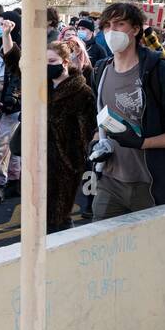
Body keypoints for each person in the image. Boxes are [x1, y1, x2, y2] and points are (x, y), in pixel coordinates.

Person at [89, 2, 165, 217]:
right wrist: (95, 143)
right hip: (109, 182)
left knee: (151, 249)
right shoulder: (100, 71)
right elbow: (99, 120)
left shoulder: (160, 71)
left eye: (119, 24)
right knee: (102, 245)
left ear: (136, 29)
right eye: (107, 25)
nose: (112, 31)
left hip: (150, 184)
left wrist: (143, 143)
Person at [47, 41, 96, 232]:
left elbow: (88, 133)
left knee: (59, 218)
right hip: (39, 161)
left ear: (65, 62)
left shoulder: (83, 92)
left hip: (64, 165)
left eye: (52, 61)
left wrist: (73, 163)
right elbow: (15, 64)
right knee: (40, 216)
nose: (47, 66)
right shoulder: (41, 87)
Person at [0, 10, 22, 206]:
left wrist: (10, 99)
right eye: (0, 23)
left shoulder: (20, 49)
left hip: (12, 104)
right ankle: (13, 182)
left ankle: (0, 184)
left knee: (2, 145)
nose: (1, 27)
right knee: (6, 146)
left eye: (6, 24)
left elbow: (15, 68)